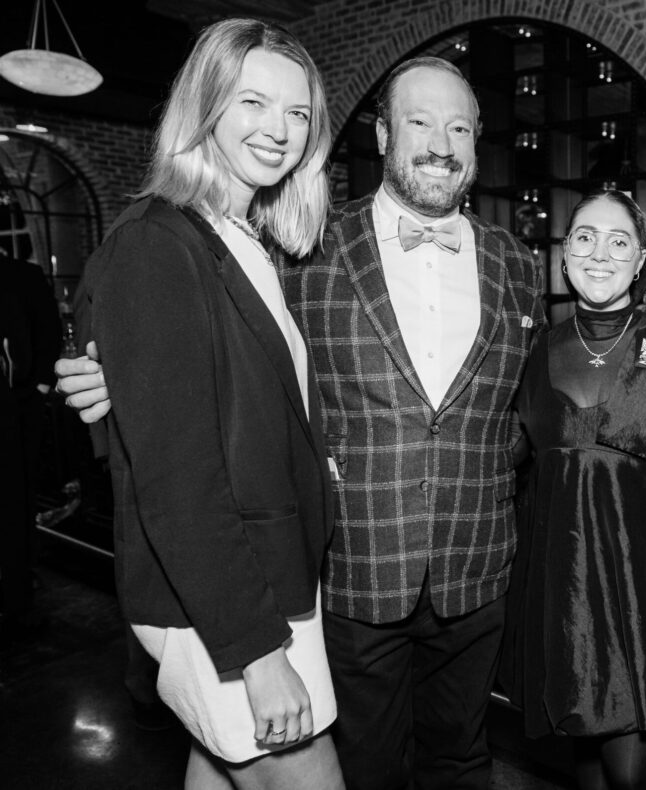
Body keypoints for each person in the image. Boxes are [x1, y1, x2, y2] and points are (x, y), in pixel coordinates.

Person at [58, 55, 546, 790]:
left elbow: (521, 406)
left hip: (477, 565)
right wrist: (102, 368)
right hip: (346, 569)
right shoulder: (304, 244)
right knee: (360, 766)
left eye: (459, 127)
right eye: (419, 121)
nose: (440, 143)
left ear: (479, 141)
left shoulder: (517, 262)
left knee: (461, 760)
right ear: (383, 134)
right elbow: (194, 343)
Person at [68, 18, 343, 790]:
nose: (280, 130)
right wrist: (257, 655)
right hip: (228, 606)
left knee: (219, 771)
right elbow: (179, 477)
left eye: (298, 114)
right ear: (206, 106)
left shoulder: (238, 237)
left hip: (255, 584)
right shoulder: (159, 242)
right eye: (254, 102)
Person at [502, 190, 646, 789]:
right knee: (585, 759)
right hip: (567, 589)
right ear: (564, 256)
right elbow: (507, 455)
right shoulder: (534, 350)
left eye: (619, 241)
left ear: (642, 260)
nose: (600, 253)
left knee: (633, 774)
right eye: (585, 237)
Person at [0, 252, 61, 639]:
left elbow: (48, 328)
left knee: (15, 505)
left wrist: (37, 386)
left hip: (15, 408)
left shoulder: (22, 274)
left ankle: (18, 598)